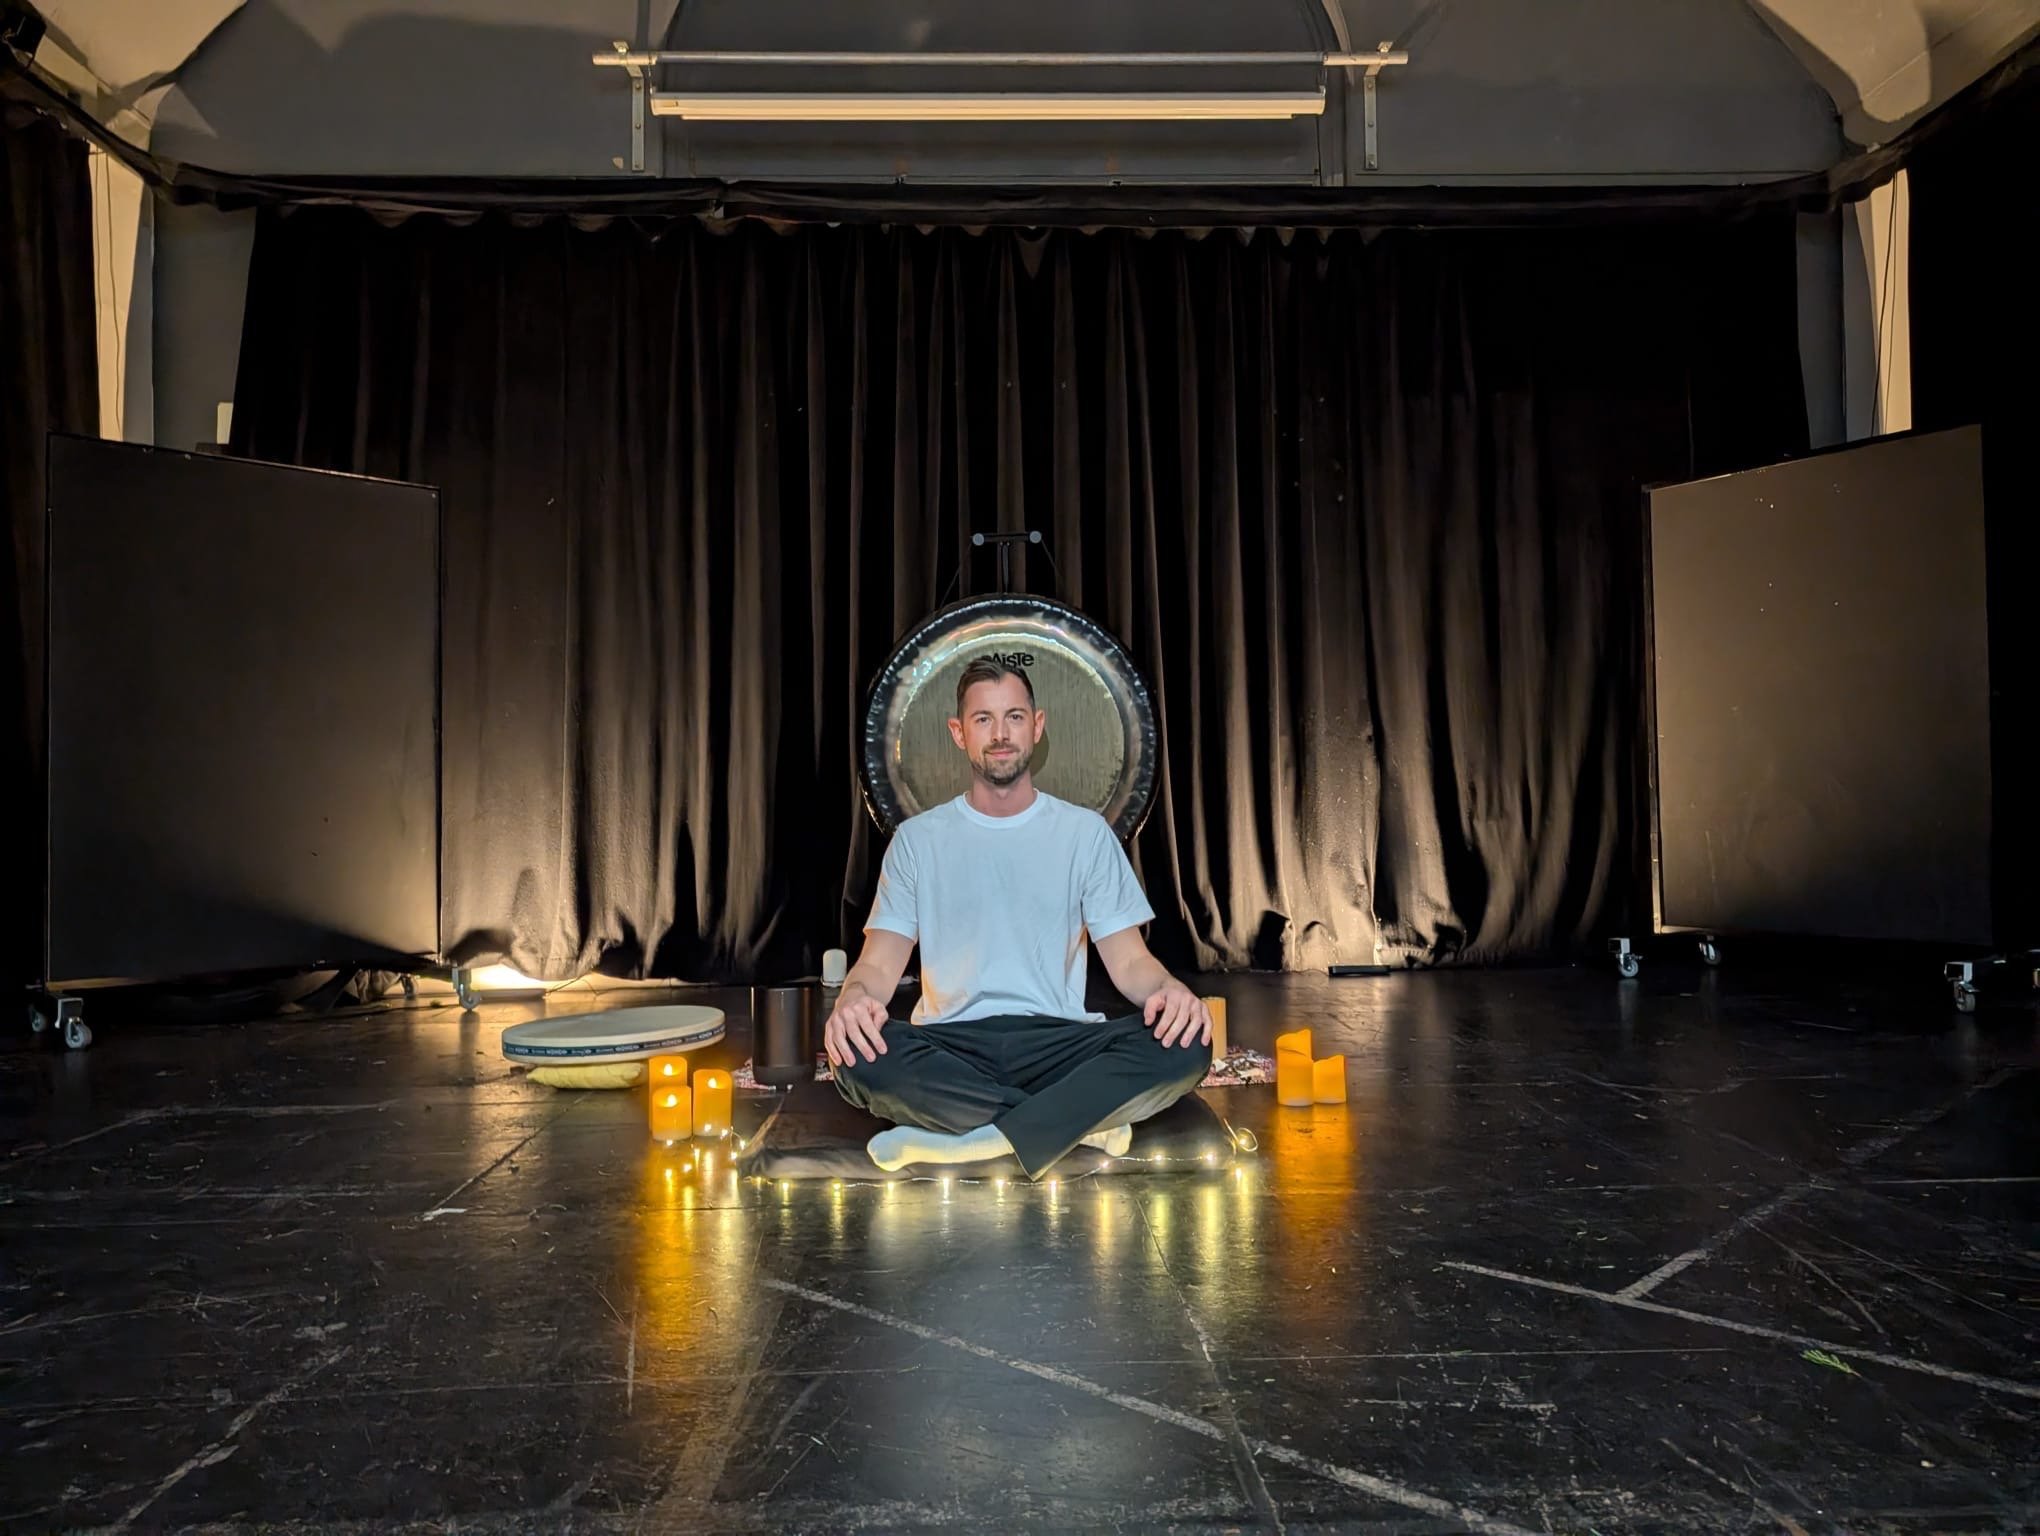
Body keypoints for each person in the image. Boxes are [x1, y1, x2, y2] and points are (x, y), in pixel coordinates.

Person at [825, 654, 1212, 1181]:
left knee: (1188, 1045)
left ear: (1037, 726)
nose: (1000, 733)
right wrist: (852, 1000)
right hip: (952, 1042)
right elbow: (877, 968)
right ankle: (1076, 1119)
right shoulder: (918, 841)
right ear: (959, 733)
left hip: (1059, 1041)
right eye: (983, 719)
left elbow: (1130, 962)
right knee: (855, 1056)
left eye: (1013, 717)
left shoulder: (1084, 834)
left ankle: (969, 1138)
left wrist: (1170, 988)